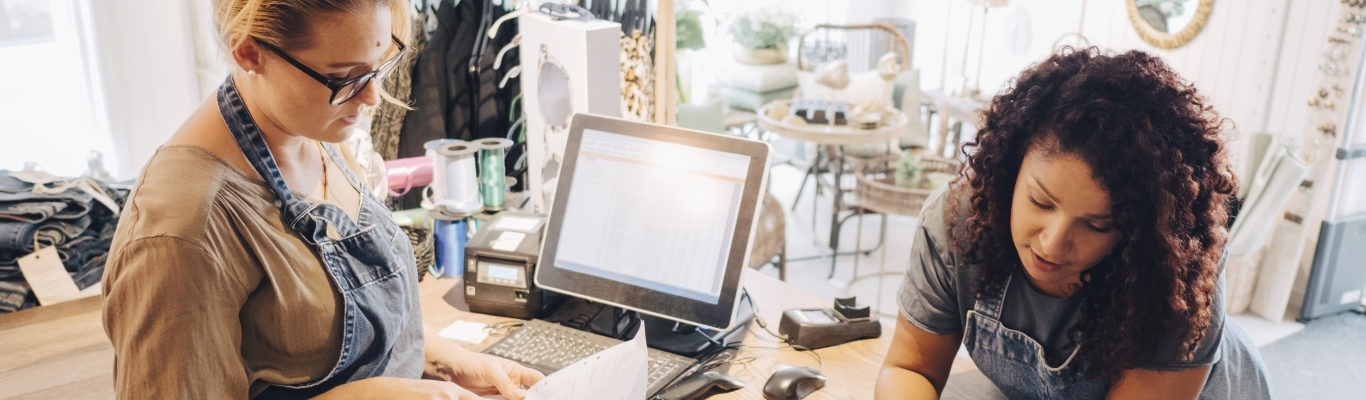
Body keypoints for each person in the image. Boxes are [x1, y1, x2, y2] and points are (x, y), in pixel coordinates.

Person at [100, 0, 543, 398]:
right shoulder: (182, 234)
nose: (370, 97)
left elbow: (318, 333)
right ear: (249, 52)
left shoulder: (313, 128)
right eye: (343, 77)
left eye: (377, 66)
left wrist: (442, 359)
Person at [875, 48, 1273, 399]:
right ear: (1011, 170)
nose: (1052, 244)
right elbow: (910, 369)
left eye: (1097, 225)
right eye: (1039, 202)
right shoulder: (958, 222)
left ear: (1136, 231)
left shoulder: (1174, 271)